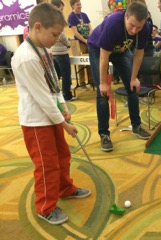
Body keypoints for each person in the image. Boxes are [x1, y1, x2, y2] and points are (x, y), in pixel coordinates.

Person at [11, 3, 91, 225]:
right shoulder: (26, 57)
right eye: (54, 34)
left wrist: (63, 105)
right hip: (37, 121)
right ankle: (45, 207)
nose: (57, 39)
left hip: (51, 115)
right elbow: (41, 97)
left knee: (62, 155)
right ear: (38, 27)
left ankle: (65, 188)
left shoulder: (43, 50)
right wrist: (64, 124)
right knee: (47, 164)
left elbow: (54, 85)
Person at [87, 2, 151, 152]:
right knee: (102, 93)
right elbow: (104, 56)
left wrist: (134, 78)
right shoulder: (113, 23)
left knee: (132, 87)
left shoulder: (144, 27)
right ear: (126, 16)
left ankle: (136, 126)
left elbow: (139, 53)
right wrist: (103, 83)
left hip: (120, 50)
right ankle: (104, 134)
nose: (134, 30)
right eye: (131, 25)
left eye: (139, 27)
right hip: (98, 49)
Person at [51, 0, 76, 101]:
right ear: (56, 7)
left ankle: (58, 95)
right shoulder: (56, 18)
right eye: (61, 9)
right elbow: (60, 34)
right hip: (61, 52)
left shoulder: (49, 18)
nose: (62, 11)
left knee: (56, 76)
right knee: (66, 75)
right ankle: (67, 95)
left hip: (53, 52)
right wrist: (68, 44)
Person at [68, 0, 93, 91]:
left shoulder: (84, 15)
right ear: (72, 6)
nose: (80, 6)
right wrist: (85, 40)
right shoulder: (71, 16)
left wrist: (90, 38)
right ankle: (82, 83)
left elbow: (90, 27)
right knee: (81, 63)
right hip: (79, 43)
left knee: (90, 61)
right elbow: (75, 32)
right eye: (77, 5)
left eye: (80, 4)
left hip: (88, 41)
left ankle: (91, 80)